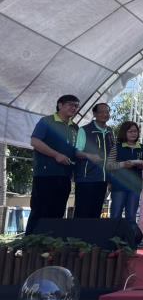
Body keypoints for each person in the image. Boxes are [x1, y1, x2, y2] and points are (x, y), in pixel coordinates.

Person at [26, 95, 88, 234]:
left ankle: (52, 243)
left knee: (58, 212)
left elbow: (76, 151)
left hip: (65, 176)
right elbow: (35, 142)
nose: (74, 108)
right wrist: (56, 155)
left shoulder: (75, 127)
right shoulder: (46, 121)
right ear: (60, 105)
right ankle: (31, 243)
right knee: (40, 210)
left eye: (76, 106)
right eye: (70, 104)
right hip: (45, 175)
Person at [74, 103, 115, 219]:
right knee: (82, 212)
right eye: (101, 112)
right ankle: (77, 232)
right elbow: (76, 152)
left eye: (107, 112)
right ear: (95, 114)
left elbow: (112, 155)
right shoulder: (84, 130)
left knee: (96, 213)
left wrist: (111, 178)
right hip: (86, 178)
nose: (104, 114)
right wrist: (89, 155)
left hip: (103, 179)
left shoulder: (110, 131)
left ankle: (91, 232)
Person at [107, 121, 143, 237]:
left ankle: (130, 242)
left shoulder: (142, 148)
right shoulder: (117, 147)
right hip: (119, 186)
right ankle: (112, 241)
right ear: (124, 132)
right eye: (130, 131)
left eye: (135, 131)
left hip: (135, 187)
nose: (133, 133)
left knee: (131, 217)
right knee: (115, 215)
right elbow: (109, 165)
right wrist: (123, 164)